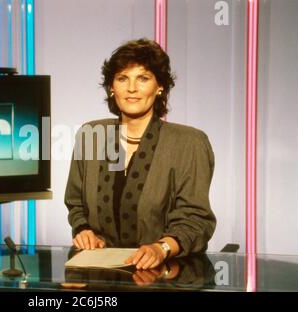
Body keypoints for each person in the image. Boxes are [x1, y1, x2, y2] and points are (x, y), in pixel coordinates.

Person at [64, 38, 216, 270]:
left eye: (143, 78)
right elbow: (76, 203)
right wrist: (84, 230)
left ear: (160, 87)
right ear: (112, 87)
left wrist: (161, 248)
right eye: (122, 78)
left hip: (164, 276)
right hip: (99, 273)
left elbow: (196, 219)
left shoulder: (189, 142)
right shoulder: (91, 134)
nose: (132, 88)